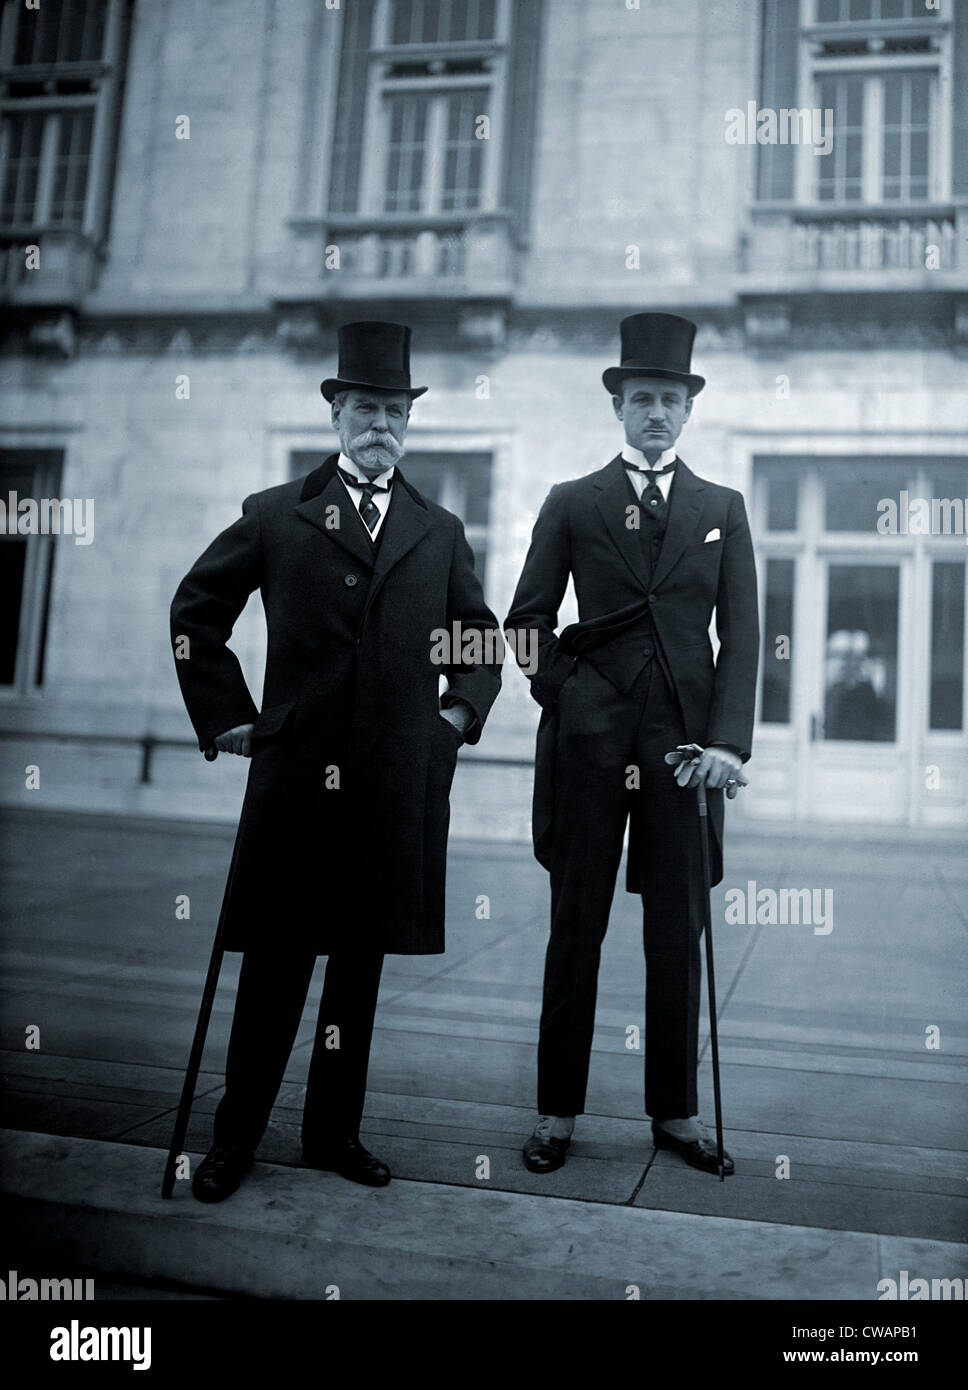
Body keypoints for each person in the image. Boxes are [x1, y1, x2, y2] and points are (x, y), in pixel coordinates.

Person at [170, 320, 502, 1201]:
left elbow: (481, 641)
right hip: (294, 786)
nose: (379, 424)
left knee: (357, 976)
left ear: (409, 422)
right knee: (276, 970)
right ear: (336, 415)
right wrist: (229, 716)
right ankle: (234, 1139)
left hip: (391, 791)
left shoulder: (439, 529)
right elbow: (194, 614)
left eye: (394, 410)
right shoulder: (276, 514)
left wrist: (453, 721)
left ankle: (332, 1136)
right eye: (364, 407)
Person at [505, 312, 759, 1176]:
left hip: (685, 753)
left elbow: (745, 638)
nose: (656, 413)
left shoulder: (721, 509)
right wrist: (564, 695)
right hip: (588, 744)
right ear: (619, 406)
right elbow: (527, 620)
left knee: (675, 930)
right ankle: (556, 1112)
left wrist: (728, 744)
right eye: (641, 398)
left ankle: (675, 1115)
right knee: (575, 922)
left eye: (670, 399)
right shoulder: (573, 502)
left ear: (688, 411)